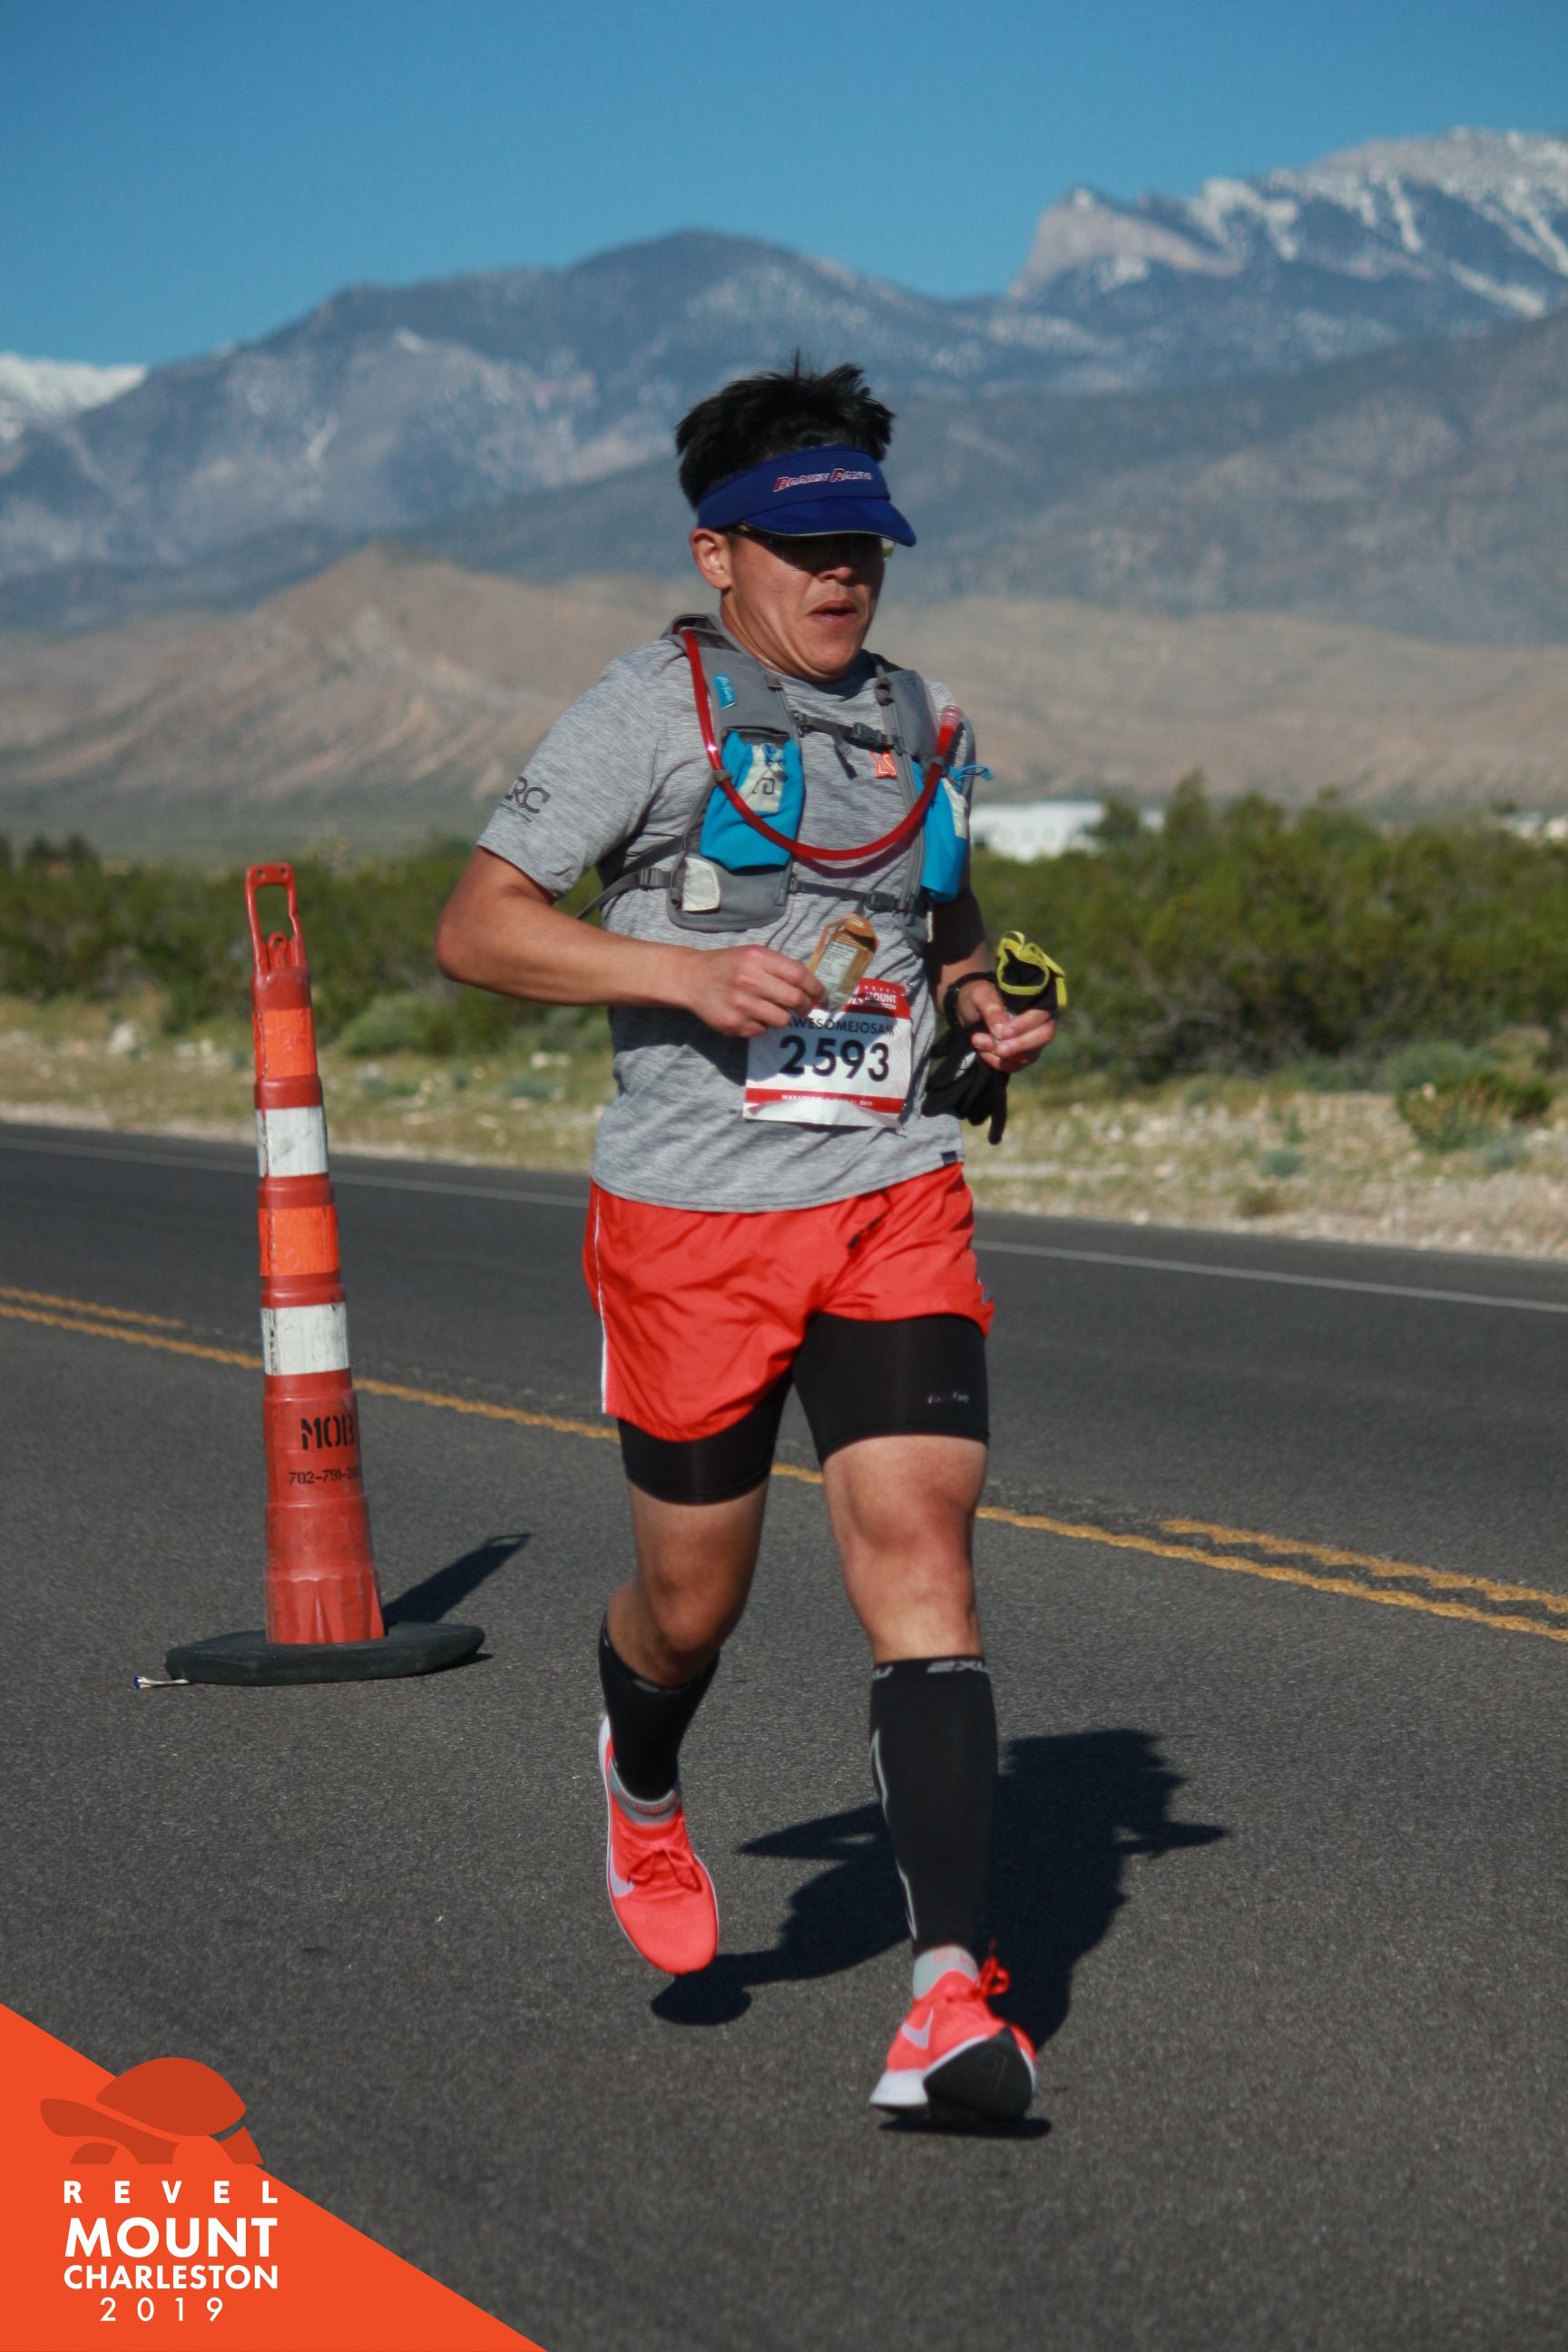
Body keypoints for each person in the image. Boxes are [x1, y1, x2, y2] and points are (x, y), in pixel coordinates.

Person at [435, 359, 1054, 2125]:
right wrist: (679, 974)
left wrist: (987, 1003)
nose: (842, 573)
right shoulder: (649, 711)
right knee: (692, 1602)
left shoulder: (921, 715)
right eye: (803, 547)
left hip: (891, 1195)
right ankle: (641, 1765)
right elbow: (478, 927)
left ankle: (946, 2000)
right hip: (693, 1224)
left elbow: (942, 911)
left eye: (866, 543)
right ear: (718, 554)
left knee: (921, 1548)